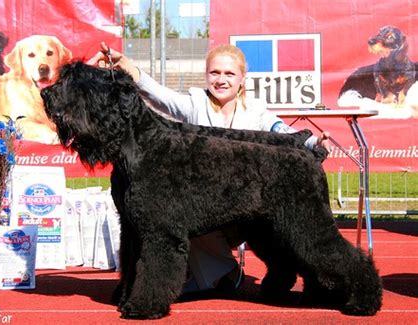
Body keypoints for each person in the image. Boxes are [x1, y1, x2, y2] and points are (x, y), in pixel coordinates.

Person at [88, 43, 331, 294]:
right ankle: (225, 274)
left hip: (245, 206)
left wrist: (313, 142)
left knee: (284, 225)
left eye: (229, 74)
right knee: (186, 215)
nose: (221, 80)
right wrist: (125, 65)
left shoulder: (257, 110)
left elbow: (281, 132)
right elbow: (157, 94)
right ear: (206, 75)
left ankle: (281, 270)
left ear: (242, 79)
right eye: (215, 73)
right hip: (208, 211)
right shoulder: (194, 104)